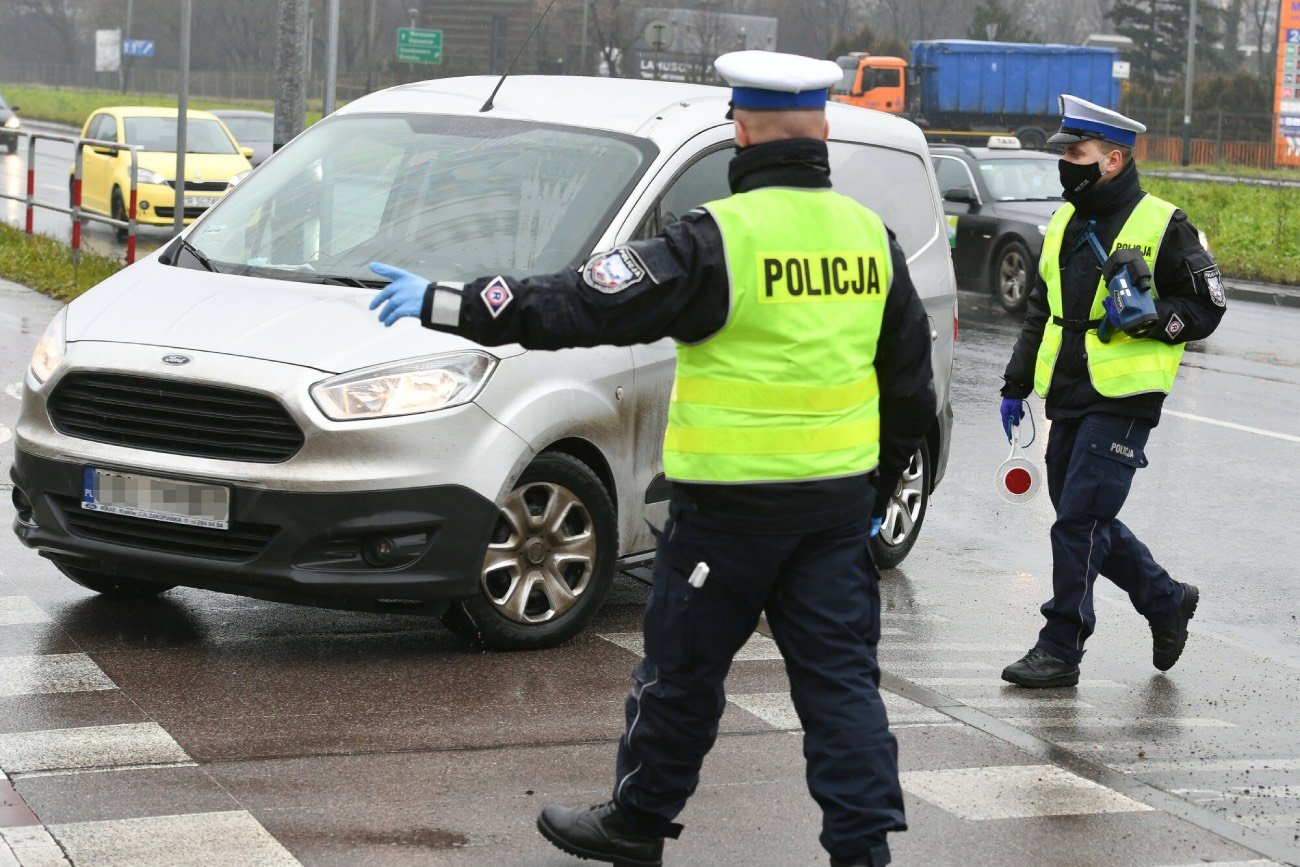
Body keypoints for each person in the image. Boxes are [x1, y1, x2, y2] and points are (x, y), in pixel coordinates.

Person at [367, 50, 935, 867]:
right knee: (842, 685)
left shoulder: (716, 240)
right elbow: (910, 387)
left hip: (727, 516)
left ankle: (636, 824)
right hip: (833, 513)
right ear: (821, 134)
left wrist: (450, 302)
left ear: (741, 134)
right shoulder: (870, 240)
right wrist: (874, 495)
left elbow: (581, 303)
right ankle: (863, 851)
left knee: (682, 676)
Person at [998, 95, 1226, 689]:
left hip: (1125, 399)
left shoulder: (1165, 224)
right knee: (1085, 517)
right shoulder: (1064, 223)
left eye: (1076, 154)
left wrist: (1153, 319)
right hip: (1068, 390)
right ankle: (1166, 599)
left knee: (1079, 520)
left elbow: (1208, 304)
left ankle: (1060, 646)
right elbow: (1041, 310)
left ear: (1113, 160)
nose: (1065, 164)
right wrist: (1016, 382)